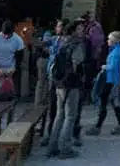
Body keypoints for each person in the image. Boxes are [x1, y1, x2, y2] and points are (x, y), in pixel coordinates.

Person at [46, 22, 86, 159]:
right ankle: (65, 148)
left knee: (60, 115)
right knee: (70, 116)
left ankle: (52, 146)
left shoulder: (63, 43)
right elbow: (76, 64)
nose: (82, 31)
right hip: (71, 85)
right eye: (80, 29)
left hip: (59, 84)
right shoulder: (77, 45)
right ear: (74, 31)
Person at [86, 31, 120, 136]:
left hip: (111, 80)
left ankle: (98, 127)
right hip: (113, 80)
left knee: (104, 102)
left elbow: (112, 66)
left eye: (109, 39)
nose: (107, 41)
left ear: (115, 41)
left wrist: (104, 67)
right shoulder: (117, 50)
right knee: (114, 103)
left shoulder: (116, 52)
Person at [40, 19, 68, 147]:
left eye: (58, 27)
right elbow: (42, 44)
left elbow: (57, 52)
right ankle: (50, 134)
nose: (56, 28)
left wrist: (50, 49)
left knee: (60, 109)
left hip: (61, 79)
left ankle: (58, 137)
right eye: (56, 26)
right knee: (52, 107)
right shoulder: (54, 39)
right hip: (52, 76)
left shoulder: (65, 42)